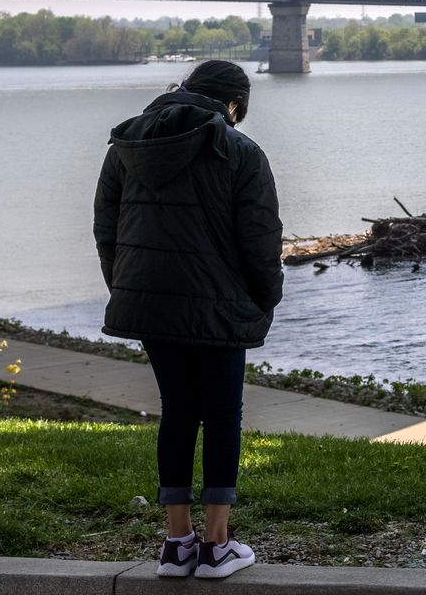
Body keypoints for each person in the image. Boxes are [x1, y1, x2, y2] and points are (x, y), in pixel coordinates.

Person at [93, 59, 282, 581]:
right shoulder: (240, 151)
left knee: (177, 411)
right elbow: (261, 242)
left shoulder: (126, 147)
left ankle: (177, 545)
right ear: (233, 105)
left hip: (148, 302)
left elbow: (106, 230)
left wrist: (130, 290)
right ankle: (217, 546)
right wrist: (266, 299)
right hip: (219, 305)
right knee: (222, 416)